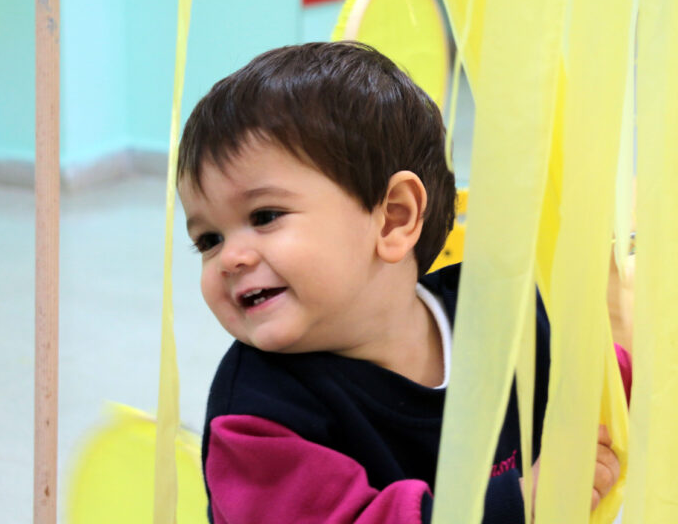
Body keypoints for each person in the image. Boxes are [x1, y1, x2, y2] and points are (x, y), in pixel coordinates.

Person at [177, 41, 630, 524]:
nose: (229, 258)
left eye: (264, 216)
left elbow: (601, 390)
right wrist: (519, 504)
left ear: (393, 218)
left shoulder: (505, 318)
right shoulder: (254, 422)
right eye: (208, 239)